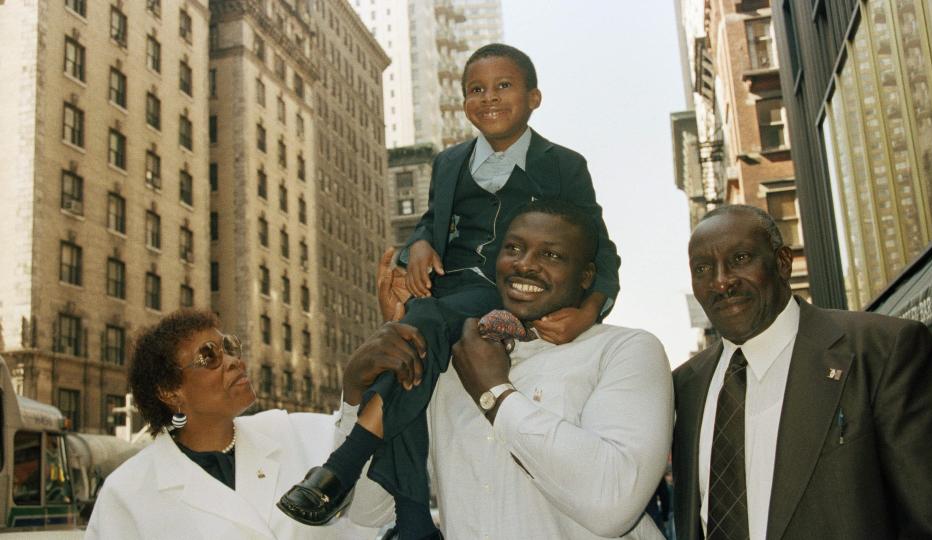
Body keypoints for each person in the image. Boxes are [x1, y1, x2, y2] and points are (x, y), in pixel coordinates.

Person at [278, 43, 621, 536]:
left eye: (504, 86)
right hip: (449, 287)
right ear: (463, 103)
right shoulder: (450, 162)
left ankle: (352, 463)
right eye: (475, 90)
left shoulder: (564, 165)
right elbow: (429, 222)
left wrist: (589, 309)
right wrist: (417, 246)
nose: (489, 97)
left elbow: (601, 250)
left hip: (514, 291)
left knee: (415, 330)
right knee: (415, 362)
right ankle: (414, 521)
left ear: (534, 97)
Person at [338, 201, 671, 539]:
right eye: (513, 248)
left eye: (551, 255)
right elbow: (369, 508)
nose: (524, 264)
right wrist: (356, 391)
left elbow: (612, 504)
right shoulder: (449, 364)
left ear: (585, 276)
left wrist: (494, 392)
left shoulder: (624, 351)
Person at [673, 205, 932, 539]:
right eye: (703, 268)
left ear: (782, 262)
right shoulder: (684, 386)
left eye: (740, 259)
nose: (721, 282)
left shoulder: (882, 351)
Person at [85, 310, 375, 540]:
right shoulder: (127, 493)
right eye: (209, 355)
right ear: (170, 392)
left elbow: (368, 446)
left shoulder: (291, 432)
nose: (235, 361)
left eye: (230, 347)